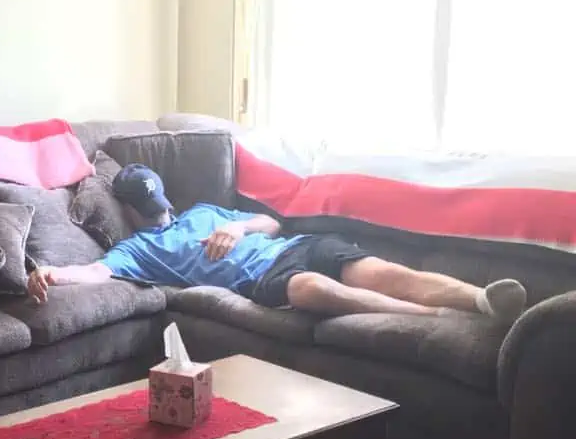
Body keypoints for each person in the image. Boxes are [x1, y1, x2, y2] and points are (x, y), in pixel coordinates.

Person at [27, 164, 528, 323]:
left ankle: (480, 298)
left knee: (386, 273)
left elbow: (270, 223)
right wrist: (54, 272)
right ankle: (430, 318)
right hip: (266, 279)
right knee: (310, 289)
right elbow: (96, 273)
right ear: (131, 211)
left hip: (297, 245)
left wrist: (237, 227)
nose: (158, 208)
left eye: (159, 197)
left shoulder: (205, 211)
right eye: (145, 203)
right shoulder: (136, 252)